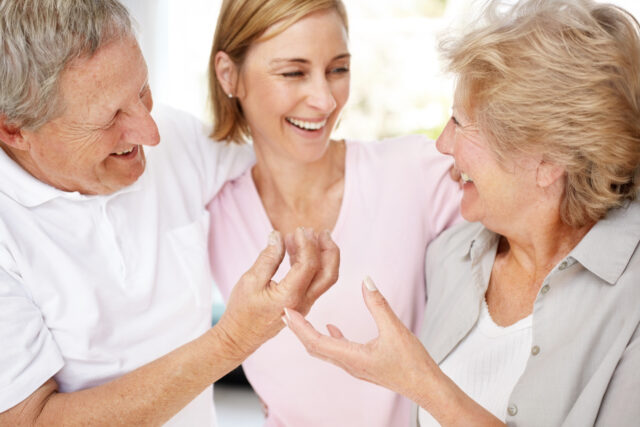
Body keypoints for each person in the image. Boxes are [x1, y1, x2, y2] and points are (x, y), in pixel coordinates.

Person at [285, 0, 640, 425]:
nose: (442, 144)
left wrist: (422, 383)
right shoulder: (451, 256)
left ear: (548, 160)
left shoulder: (630, 297)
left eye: (460, 122)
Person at [0, 1, 339, 425]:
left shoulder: (174, 136)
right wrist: (234, 339)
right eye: (111, 118)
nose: (150, 132)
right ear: (14, 130)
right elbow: (29, 420)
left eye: (142, 91)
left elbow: (281, 165)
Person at [207, 0, 461, 425]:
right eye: (294, 73)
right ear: (229, 75)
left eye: (338, 69)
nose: (325, 100)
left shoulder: (414, 172)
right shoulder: (213, 210)